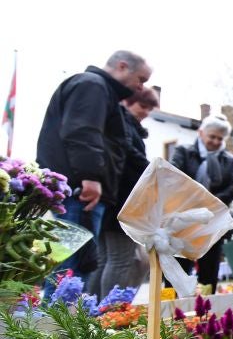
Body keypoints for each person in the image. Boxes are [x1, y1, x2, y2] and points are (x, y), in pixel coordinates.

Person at [37, 50, 152, 285]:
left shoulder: (101, 91)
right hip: (81, 192)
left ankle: (64, 318)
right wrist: (90, 177)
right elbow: (82, 132)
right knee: (71, 267)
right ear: (122, 66)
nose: (140, 87)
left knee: (80, 265)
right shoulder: (93, 86)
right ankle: (57, 320)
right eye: (141, 79)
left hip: (82, 193)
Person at [91, 86, 159, 296]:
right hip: (122, 202)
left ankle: (89, 312)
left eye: (149, 109)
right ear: (127, 101)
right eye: (142, 106)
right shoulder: (124, 125)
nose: (145, 112)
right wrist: (155, 170)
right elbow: (132, 161)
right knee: (121, 260)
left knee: (104, 259)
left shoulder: (122, 125)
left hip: (109, 200)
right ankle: (108, 314)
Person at [170, 114, 233, 288]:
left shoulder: (228, 160)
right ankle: (172, 309)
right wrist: (196, 198)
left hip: (212, 219)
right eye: (212, 136)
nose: (216, 141)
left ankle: (206, 307)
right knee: (178, 268)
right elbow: (173, 177)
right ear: (201, 133)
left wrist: (211, 202)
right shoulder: (183, 152)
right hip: (183, 218)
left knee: (209, 270)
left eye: (220, 138)